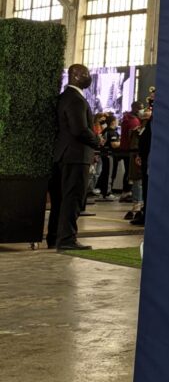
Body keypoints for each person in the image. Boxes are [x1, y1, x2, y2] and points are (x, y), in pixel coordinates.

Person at [46, 64, 101, 251]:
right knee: (72, 199)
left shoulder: (63, 98)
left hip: (61, 155)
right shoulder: (76, 100)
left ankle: (54, 237)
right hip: (76, 156)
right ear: (75, 76)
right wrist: (97, 142)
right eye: (85, 74)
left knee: (60, 200)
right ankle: (67, 239)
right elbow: (79, 129)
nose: (88, 77)